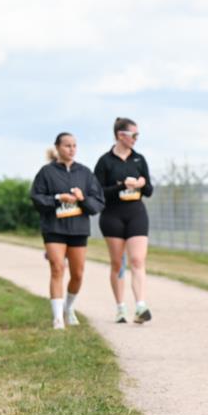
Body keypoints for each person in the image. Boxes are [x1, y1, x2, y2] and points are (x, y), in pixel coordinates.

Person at [30, 132, 105, 329]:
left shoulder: (86, 173)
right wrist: (57, 198)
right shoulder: (46, 172)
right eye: (67, 146)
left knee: (78, 274)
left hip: (78, 229)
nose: (71, 149)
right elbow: (36, 198)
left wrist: (82, 198)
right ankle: (57, 319)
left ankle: (68, 307)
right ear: (57, 148)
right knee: (57, 268)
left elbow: (97, 204)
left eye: (74, 146)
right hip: (54, 228)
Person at [94, 117, 154, 324]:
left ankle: (140, 306)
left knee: (138, 260)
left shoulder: (139, 159)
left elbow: (149, 191)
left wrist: (140, 184)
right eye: (133, 135)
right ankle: (120, 307)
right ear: (121, 135)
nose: (136, 139)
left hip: (136, 213)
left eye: (138, 135)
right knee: (118, 263)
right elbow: (98, 192)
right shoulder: (105, 162)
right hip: (112, 216)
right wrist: (122, 186)